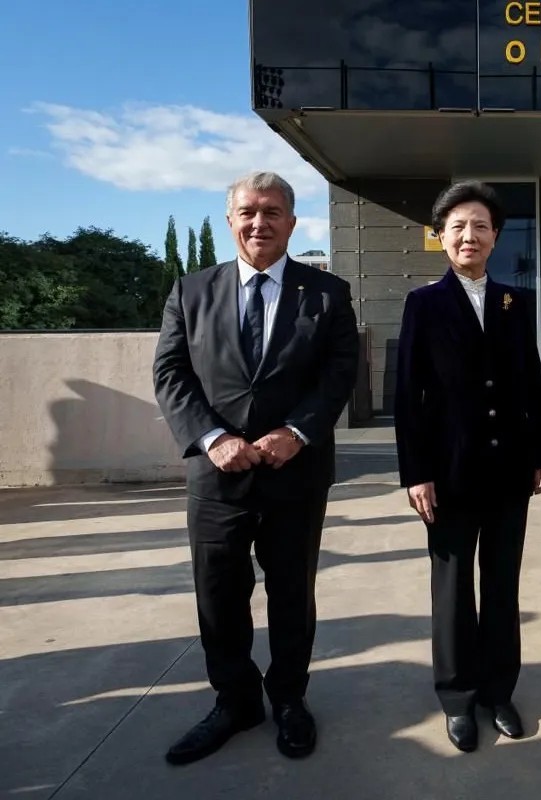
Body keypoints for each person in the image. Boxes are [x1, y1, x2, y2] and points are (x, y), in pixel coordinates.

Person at [153, 171, 359, 764]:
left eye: (272, 212)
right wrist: (212, 437)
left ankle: (290, 699)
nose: (259, 222)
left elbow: (339, 373)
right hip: (217, 477)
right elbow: (171, 373)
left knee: (292, 593)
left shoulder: (328, 293)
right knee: (219, 596)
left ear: (291, 223)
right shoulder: (191, 291)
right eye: (247, 212)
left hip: (296, 474)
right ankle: (235, 701)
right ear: (230, 221)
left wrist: (297, 432)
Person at [394, 180, 541, 753]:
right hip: (449, 473)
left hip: (509, 469)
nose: (470, 235)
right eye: (459, 226)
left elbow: (531, 380)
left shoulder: (516, 302)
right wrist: (416, 473)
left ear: (495, 237)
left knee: (502, 585)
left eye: (481, 226)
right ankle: (458, 697)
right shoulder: (423, 304)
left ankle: (498, 691)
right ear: (441, 236)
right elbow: (407, 395)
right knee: (453, 590)